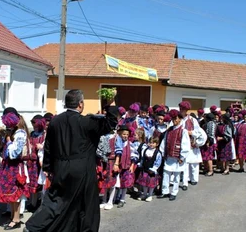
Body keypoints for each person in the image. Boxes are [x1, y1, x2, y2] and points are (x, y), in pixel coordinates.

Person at [25, 89, 119, 232]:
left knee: (57, 200)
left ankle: (35, 226)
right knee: (85, 205)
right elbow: (111, 123)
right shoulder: (87, 122)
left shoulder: (55, 121)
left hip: (61, 168)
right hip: (83, 170)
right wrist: (111, 101)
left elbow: (48, 146)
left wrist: (48, 167)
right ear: (80, 104)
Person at [158, 109, 190, 201]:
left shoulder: (183, 131)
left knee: (176, 176)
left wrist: (182, 157)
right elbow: (164, 142)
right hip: (169, 156)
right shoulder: (169, 130)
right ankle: (165, 191)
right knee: (166, 174)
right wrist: (163, 152)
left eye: (175, 119)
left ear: (180, 119)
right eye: (173, 119)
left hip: (177, 157)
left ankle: (174, 192)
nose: (174, 121)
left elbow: (185, 145)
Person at [136, 137, 162, 202]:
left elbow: (158, 162)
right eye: (150, 142)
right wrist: (141, 164)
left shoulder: (157, 153)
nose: (151, 144)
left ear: (157, 144)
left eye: (153, 143)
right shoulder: (145, 150)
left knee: (151, 184)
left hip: (152, 171)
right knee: (144, 183)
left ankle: (150, 195)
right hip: (145, 169)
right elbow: (143, 158)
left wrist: (154, 169)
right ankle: (144, 194)